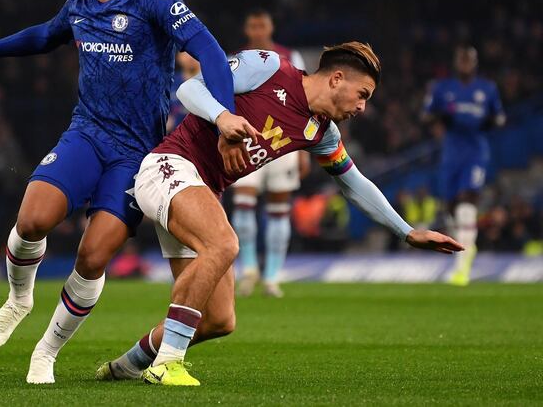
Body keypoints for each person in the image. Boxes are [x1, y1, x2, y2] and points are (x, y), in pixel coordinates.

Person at [0, 0, 255, 384]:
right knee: (33, 219)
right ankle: (18, 299)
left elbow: (210, 51)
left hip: (137, 155)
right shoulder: (77, 7)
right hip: (88, 134)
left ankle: (46, 352)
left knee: (93, 256)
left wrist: (223, 119)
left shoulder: (156, 0)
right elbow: (41, 37)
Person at [98, 42, 464, 386]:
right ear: (337, 79)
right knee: (224, 243)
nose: (362, 107)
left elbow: (354, 183)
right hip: (169, 166)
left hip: (202, 190)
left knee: (218, 320)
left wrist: (406, 231)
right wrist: (223, 119)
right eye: (362, 95)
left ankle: (126, 366)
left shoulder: (321, 131)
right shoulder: (269, 67)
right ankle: (166, 365)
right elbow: (191, 89)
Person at [229, 9, 310, 297]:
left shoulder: (291, 57)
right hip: (248, 139)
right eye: (253, 25)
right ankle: (249, 269)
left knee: (279, 207)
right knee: (243, 202)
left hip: (283, 141)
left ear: (271, 27)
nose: (258, 30)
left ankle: (272, 275)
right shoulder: (237, 59)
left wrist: (304, 150)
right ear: (246, 28)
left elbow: (304, 104)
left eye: (262, 25)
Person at [423, 45, 504, 286]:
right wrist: (439, 116)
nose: (466, 63)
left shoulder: (487, 89)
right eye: (462, 60)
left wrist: (490, 121)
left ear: (476, 62)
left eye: (470, 59)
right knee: (452, 209)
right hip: (451, 154)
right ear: (456, 63)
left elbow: (499, 117)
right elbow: (426, 115)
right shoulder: (443, 88)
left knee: (467, 204)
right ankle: (467, 244)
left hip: (476, 153)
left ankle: (462, 268)